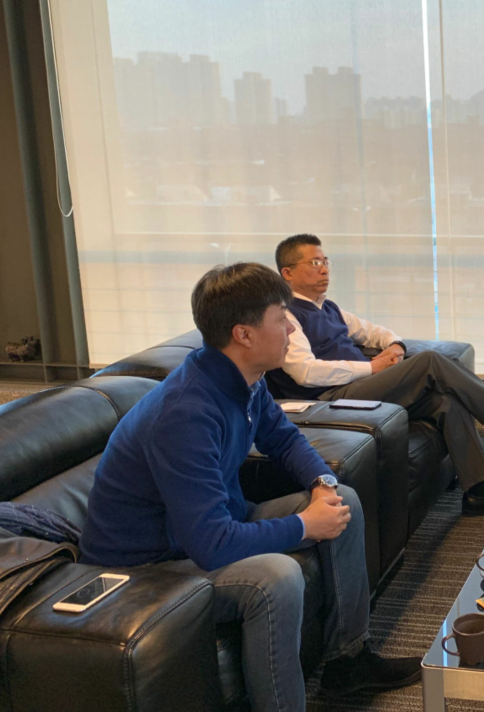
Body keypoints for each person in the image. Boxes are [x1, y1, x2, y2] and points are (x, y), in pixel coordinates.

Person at [80, 263, 421, 712]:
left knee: (344, 502)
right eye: (281, 319)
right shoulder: (184, 414)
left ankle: (348, 662)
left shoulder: (244, 380)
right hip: (148, 565)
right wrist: (305, 525)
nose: (292, 328)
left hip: (206, 529)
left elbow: (284, 439)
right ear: (243, 334)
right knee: (274, 578)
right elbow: (212, 545)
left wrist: (322, 484)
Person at [267, 233, 484, 516]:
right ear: (287, 273)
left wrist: (396, 345)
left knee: (447, 401)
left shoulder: (328, 308)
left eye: (325, 261)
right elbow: (306, 372)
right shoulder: (287, 315)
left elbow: (373, 332)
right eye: (314, 263)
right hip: (329, 400)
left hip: (361, 387)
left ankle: (478, 493)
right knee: (430, 361)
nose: (324, 269)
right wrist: (372, 368)